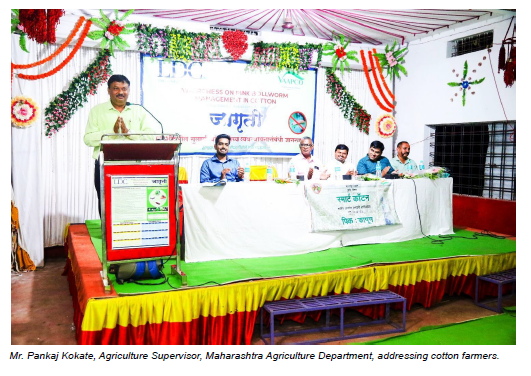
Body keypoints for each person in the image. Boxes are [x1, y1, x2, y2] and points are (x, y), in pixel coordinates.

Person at [84, 74, 155, 216]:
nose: (121, 92)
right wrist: (112, 132)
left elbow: (151, 136)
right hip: (105, 164)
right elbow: (88, 139)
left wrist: (130, 133)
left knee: (133, 201)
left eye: (124, 88)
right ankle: (107, 234)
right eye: (116, 88)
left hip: (133, 163)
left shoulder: (139, 110)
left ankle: (131, 230)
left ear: (129, 90)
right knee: (106, 201)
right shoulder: (97, 111)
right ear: (108, 90)